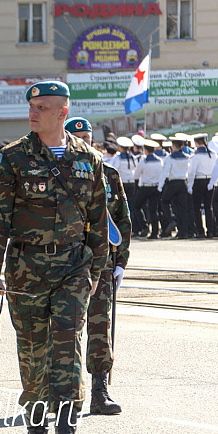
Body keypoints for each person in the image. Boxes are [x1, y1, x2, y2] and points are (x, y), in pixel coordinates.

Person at [0, 82, 108, 434]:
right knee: (34, 350)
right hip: (26, 268)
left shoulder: (89, 158)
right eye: (32, 105)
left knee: (68, 344)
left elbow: (98, 220)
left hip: (73, 266)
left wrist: (96, 269)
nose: (33, 112)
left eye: (43, 106)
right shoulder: (12, 157)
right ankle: (36, 428)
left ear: (63, 113)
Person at [66, 117, 129, 416]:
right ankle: (64, 391)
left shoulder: (110, 175)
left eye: (87, 137)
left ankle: (99, 390)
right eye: (77, 137)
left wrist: (122, 262)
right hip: (65, 263)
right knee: (65, 329)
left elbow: (123, 220)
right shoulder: (59, 173)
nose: (83, 142)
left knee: (100, 327)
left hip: (101, 262)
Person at [159, 138, 192, 239]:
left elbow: (165, 172)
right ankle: (183, 232)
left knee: (164, 201)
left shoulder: (170, 158)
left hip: (173, 182)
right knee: (182, 208)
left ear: (173, 146)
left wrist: (160, 185)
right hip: (183, 182)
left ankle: (172, 219)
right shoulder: (187, 157)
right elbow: (189, 171)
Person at [187, 134, 217, 238]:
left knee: (197, 208)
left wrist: (189, 186)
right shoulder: (213, 154)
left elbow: (191, 173)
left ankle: (200, 231)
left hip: (198, 182)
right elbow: (215, 170)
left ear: (196, 143)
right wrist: (214, 182)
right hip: (209, 181)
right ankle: (210, 231)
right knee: (209, 207)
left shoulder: (195, 156)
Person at [133, 140, 164, 239]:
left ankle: (144, 226)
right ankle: (155, 232)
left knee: (137, 206)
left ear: (146, 150)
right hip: (156, 187)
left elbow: (136, 175)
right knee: (153, 210)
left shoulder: (143, 162)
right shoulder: (160, 161)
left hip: (146, 187)